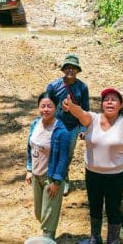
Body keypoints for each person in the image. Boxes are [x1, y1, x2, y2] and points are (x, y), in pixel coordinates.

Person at [62, 88, 123, 244]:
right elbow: (80, 113)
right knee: (94, 204)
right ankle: (95, 237)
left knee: (113, 209)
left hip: (115, 175)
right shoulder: (92, 119)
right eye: (106, 99)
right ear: (101, 104)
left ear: (120, 105)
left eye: (114, 100)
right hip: (92, 173)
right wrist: (70, 105)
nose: (109, 102)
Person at [25, 93, 71, 241]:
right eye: (43, 106)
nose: (46, 109)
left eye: (49, 106)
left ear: (56, 108)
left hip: (51, 178)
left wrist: (57, 181)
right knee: (40, 213)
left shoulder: (61, 131)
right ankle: (47, 239)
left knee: (48, 216)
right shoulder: (35, 124)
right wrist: (29, 169)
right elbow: (30, 147)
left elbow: (64, 159)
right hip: (36, 176)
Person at [46, 54, 89, 195]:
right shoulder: (53, 86)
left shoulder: (82, 88)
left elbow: (85, 109)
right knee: (54, 151)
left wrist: (83, 128)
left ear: (77, 70)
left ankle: (63, 178)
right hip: (56, 125)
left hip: (72, 127)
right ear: (63, 69)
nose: (70, 70)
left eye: (73, 68)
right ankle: (54, 176)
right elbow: (47, 105)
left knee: (67, 154)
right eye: (68, 68)